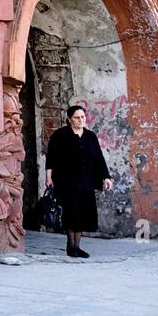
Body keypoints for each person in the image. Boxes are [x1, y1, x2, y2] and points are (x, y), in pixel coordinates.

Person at [45, 105, 115, 258]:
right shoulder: (60, 135)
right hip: (66, 181)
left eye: (83, 117)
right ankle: (71, 246)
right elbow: (51, 158)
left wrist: (106, 177)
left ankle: (77, 246)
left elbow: (99, 158)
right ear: (69, 119)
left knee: (83, 214)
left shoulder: (90, 136)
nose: (81, 120)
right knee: (71, 214)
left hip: (87, 182)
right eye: (77, 117)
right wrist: (48, 177)